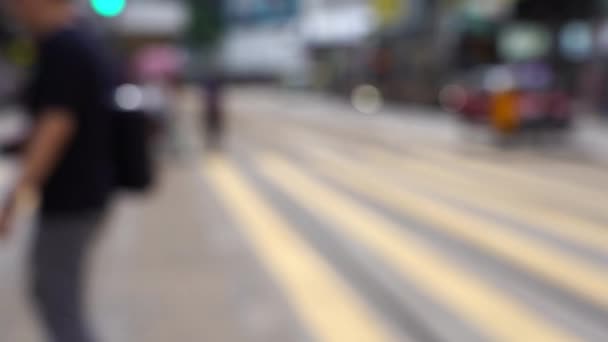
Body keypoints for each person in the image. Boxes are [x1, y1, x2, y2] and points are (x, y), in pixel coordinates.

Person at [0, 0, 116, 341]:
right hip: (87, 191)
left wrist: (13, 199)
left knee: (56, 298)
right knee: (54, 294)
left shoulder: (62, 47)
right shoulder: (82, 39)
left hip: (72, 197)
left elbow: (56, 126)